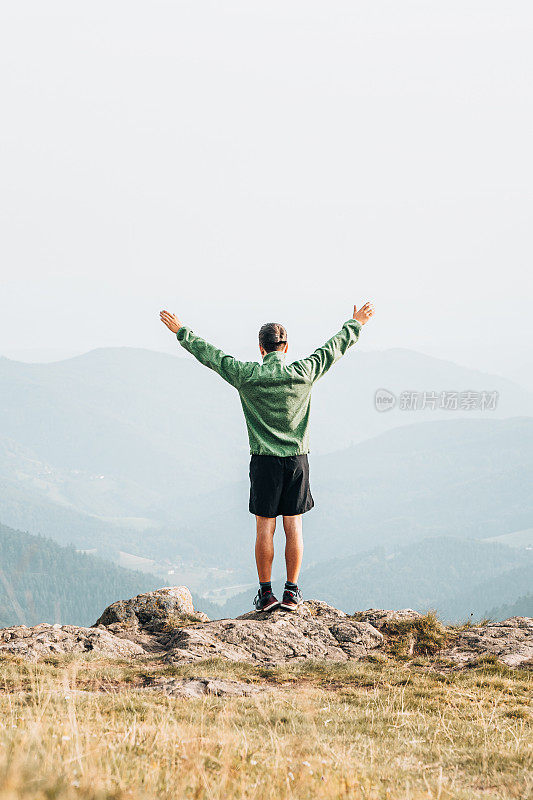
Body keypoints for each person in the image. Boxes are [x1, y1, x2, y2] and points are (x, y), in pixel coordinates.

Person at [160, 302, 375, 612]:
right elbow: (332, 350)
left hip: (264, 462)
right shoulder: (303, 372)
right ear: (285, 347)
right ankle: (291, 592)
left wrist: (181, 331)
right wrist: (356, 323)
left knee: (265, 529)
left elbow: (213, 357)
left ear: (261, 348)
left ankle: (266, 595)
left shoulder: (247, 375)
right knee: (294, 528)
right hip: (297, 460)